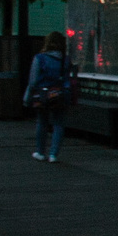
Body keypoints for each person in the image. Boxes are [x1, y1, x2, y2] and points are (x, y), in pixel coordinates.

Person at [23, 32, 74, 162]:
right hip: (60, 94)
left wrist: (27, 97)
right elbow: (68, 78)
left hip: (43, 94)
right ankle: (53, 154)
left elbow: (33, 81)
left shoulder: (39, 58)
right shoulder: (65, 60)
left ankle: (40, 152)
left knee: (42, 122)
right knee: (59, 123)